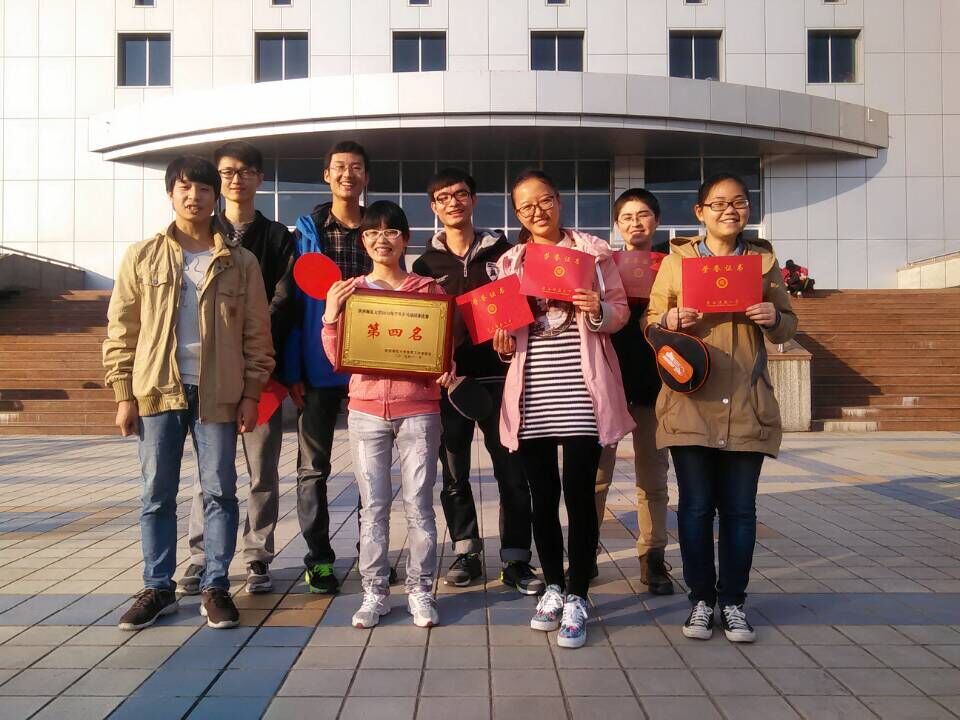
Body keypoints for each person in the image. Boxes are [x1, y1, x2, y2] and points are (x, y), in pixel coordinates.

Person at [104, 156, 274, 630]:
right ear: (170, 194)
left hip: (219, 392)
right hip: (158, 390)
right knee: (156, 493)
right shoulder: (142, 255)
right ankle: (158, 587)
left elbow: (258, 335)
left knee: (220, 490)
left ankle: (215, 585)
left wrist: (251, 394)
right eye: (184, 187)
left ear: (215, 197)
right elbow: (122, 328)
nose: (194, 196)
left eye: (202, 188)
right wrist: (123, 393)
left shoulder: (241, 261)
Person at [645, 172, 797, 643]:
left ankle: (733, 602)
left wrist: (774, 317)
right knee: (694, 508)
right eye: (718, 203)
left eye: (739, 202)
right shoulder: (677, 262)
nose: (730, 210)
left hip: (747, 403)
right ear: (700, 212)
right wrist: (670, 318)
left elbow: (788, 324)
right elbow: (650, 323)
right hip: (691, 402)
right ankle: (700, 600)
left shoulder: (763, 262)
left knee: (739, 510)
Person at [493, 170, 634, 648]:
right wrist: (502, 342)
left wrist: (598, 308)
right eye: (526, 206)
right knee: (542, 497)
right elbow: (506, 332)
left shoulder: (593, 254)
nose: (537, 211)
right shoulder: (511, 262)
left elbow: (620, 313)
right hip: (532, 395)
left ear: (559, 201)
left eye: (545, 200)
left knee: (579, 495)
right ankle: (553, 586)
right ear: (517, 214)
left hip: (582, 393)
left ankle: (578, 595)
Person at [321, 201, 452, 629]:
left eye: (392, 231)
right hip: (365, 410)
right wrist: (330, 317)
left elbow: (443, 351)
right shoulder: (351, 291)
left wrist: (445, 366)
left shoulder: (428, 292)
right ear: (364, 241)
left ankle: (420, 589)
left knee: (419, 505)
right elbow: (337, 357)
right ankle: (374, 592)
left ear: (405, 239)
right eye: (373, 232)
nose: (383, 239)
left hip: (419, 410)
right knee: (373, 507)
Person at [411, 168, 543, 594]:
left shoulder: (504, 253)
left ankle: (516, 559)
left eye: (461, 194)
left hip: (501, 379)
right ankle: (466, 551)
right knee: (454, 474)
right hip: (451, 383)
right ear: (433, 207)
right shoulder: (424, 264)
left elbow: (524, 311)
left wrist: (509, 341)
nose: (453, 202)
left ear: (474, 199)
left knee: (512, 473)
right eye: (443, 197)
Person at [179, 141, 296, 596]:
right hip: (211, 372)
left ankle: (257, 553)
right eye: (228, 171)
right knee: (209, 470)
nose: (236, 179)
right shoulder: (202, 232)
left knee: (262, 469)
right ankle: (201, 555)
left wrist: (252, 342)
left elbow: (284, 297)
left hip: (263, 371)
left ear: (260, 178)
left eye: (246, 171)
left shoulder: (277, 236)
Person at [282, 140, 373, 594]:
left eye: (356, 167)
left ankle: (371, 554)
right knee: (313, 469)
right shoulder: (306, 234)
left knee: (370, 468)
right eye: (339, 167)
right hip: (318, 368)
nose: (347, 174)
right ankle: (318, 559)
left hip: (368, 365)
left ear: (366, 177)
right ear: (327, 175)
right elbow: (293, 306)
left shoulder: (379, 228)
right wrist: (293, 369)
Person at [593, 189, 675, 595]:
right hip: (607, 383)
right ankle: (585, 549)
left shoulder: (673, 267)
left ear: (656, 221)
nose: (635, 223)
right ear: (616, 225)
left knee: (652, 477)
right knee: (596, 477)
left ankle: (652, 555)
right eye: (626, 217)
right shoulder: (602, 267)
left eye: (643, 215)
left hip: (656, 383)